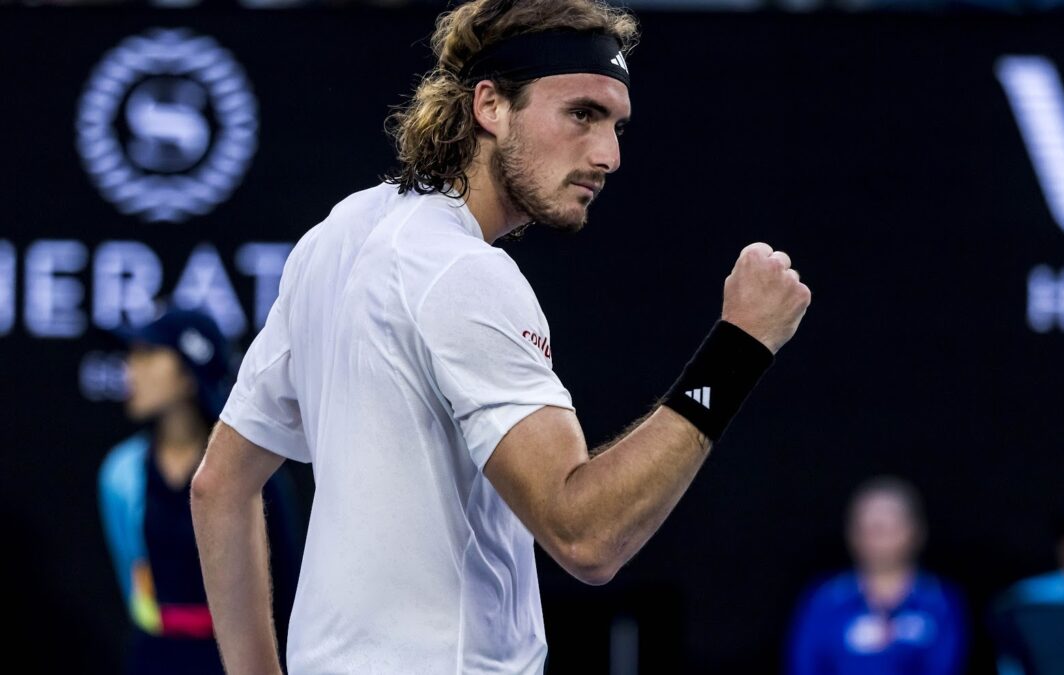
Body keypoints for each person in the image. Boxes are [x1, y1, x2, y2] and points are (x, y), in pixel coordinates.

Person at [189, 1, 813, 673]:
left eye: (617, 125)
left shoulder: (339, 236)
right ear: (489, 104)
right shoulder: (464, 271)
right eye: (580, 114)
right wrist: (740, 347)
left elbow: (218, 484)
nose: (608, 154)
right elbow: (586, 534)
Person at [98, 308, 301, 675]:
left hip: (233, 661)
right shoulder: (120, 473)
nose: (131, 368)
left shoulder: (255, 475)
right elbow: (133, 575)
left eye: (148, 354)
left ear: (189, 372)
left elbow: (283, 588)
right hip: (152, 659)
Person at [787, 477, 968, 675]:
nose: (877, 536)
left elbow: (947, 665)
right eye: (868, 526)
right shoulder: (826, 598)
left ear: (917, 531)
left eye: (887, 526)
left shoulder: (939, 600)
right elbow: (803, 665)